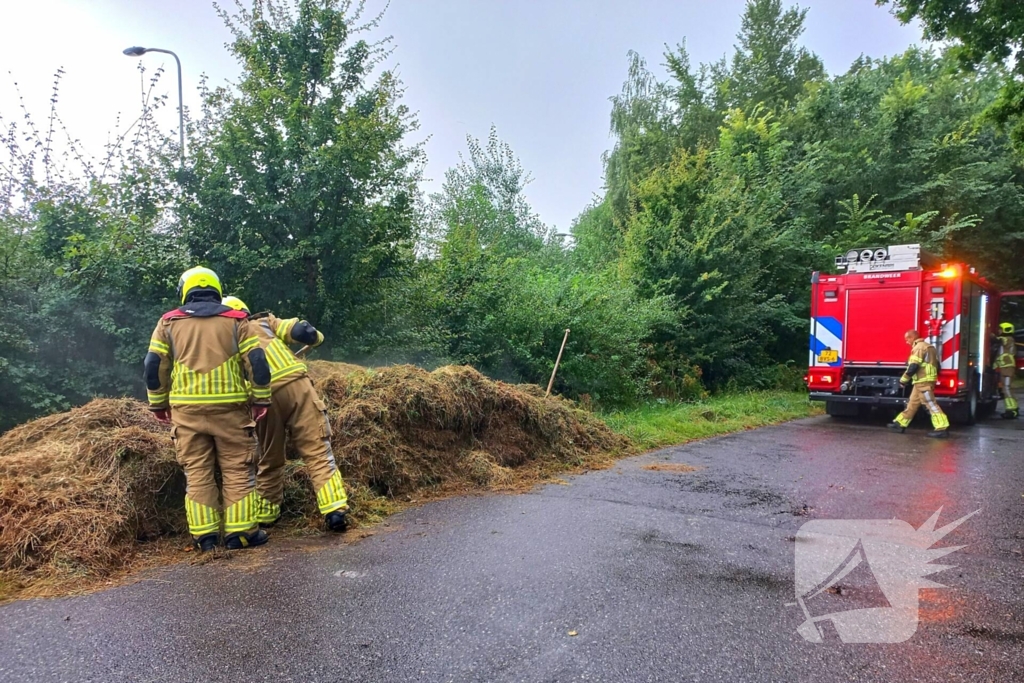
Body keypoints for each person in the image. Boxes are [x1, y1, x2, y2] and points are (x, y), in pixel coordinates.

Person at [144, 268, 273, 551]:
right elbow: (258, 362)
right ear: (216, 289)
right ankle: (240, 534)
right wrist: (261, 400)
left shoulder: (168, 323)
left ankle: (205, 537)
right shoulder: (237, 320)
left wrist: (158, 404)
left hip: (186, 413)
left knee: (197, 472)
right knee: (238, 470)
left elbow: (154, 366)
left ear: (185, 290)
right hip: (231, 411)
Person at [222, 296, 350, 532]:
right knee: (318, 451)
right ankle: (335, 510)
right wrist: (317, 337)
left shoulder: (225, 340)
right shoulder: (263, 322)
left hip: (262, 399)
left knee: (269, 459)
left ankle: (267, 515)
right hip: (296, 387)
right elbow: (302, 331)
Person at [888, 329, 950, 438]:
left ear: (913, 337)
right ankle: (900, 423)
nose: (907, 342)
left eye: (907, 339)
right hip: (922, 382)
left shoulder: (918, 348)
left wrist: (903, 380)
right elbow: (938, 365)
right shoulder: (930, 347)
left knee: (931, 404)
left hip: (923, 382)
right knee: (912, 403)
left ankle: (942, 428)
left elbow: (913, 366)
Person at [995, 322, 1018, 419]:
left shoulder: (1007, 339)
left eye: (1000, 329)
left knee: (1007, 388)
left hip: (1008, 367)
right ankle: (1012, 408)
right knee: (1005, 388)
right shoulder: (1008, 340)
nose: (999, 331)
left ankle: (1012, 410)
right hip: (1005, 367)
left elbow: (998, 340)